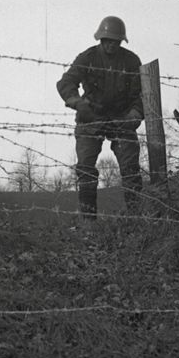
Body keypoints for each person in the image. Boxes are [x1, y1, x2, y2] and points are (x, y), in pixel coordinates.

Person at [57, 16, 144, 217]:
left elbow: (141, 93)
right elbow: (66, 82)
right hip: (91, 117)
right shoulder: (87, 57)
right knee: (85, 168)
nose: (112, 45)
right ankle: (89, 222)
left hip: (122, 118)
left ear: (121, 41)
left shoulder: (131, 61)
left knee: (131, 169)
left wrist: (136, 113)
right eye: (108, 41)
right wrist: (78, 103)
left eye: (116, 41)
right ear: (101, 39)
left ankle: (137, 218)